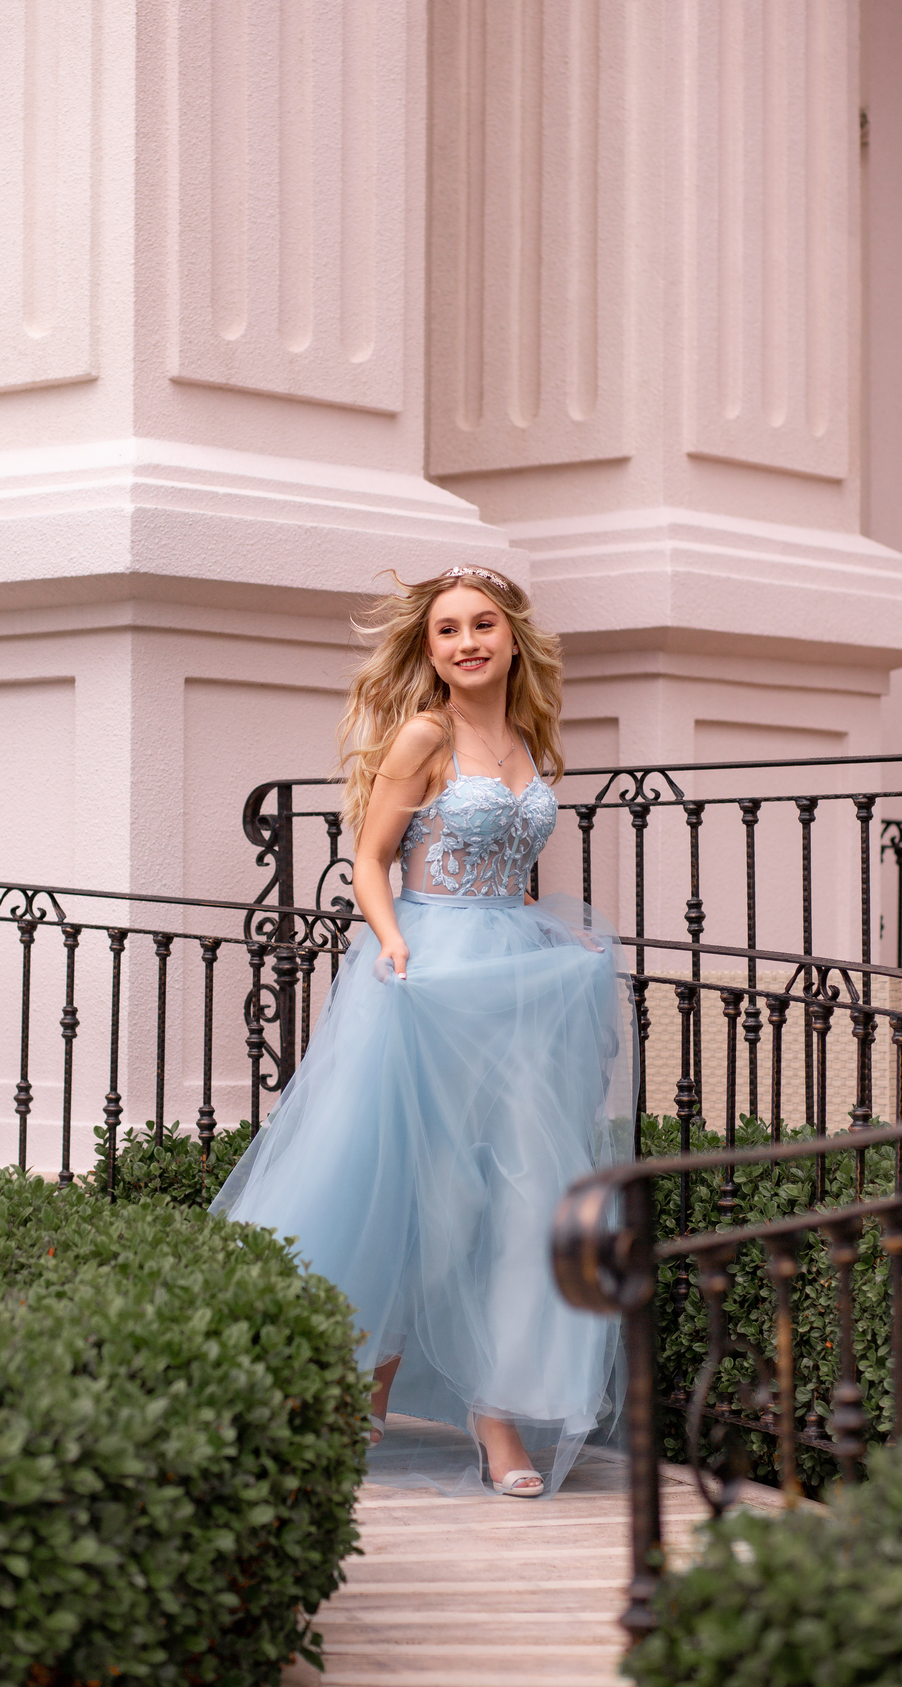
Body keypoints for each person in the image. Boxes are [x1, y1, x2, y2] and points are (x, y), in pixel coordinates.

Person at [213, 565, 635, 1496]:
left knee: (519, 1194)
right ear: (430, 649)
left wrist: (547, 926)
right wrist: (395, 939)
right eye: (448, 630)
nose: (467, 642)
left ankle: (495, 1415)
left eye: (484, 625)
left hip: (511, 978)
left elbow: (507, 869)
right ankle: (361, 1372)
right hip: (427, 972)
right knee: (422, 1189)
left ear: (513, 637)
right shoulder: (424, 735)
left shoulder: (525, 738)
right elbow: (369, 860)